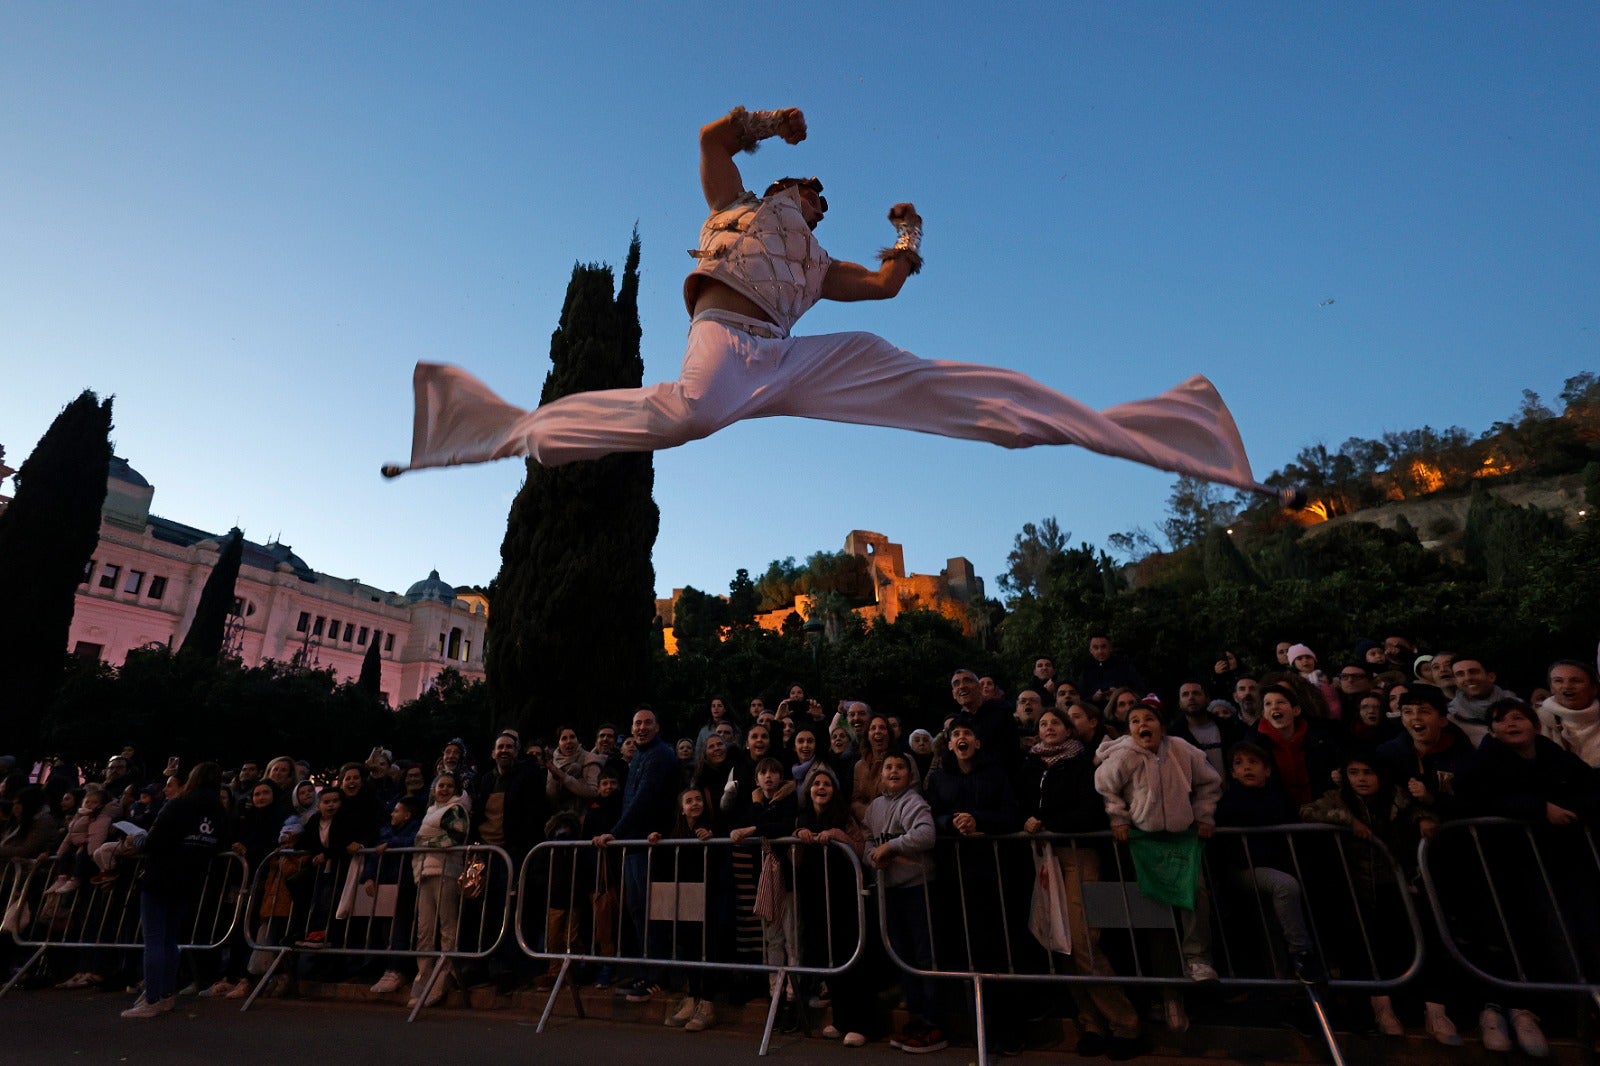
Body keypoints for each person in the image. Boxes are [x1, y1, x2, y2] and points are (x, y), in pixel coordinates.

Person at [385, 107, 1276, 508]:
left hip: (789, 357)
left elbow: (883, 288)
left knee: (933, 384)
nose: (817, 197)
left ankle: (1171, 429)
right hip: (726, 340)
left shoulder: (819, 262)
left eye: (821, 197)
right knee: (687, 414)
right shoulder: (734, 204)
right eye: (808, 187)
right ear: (783, 185)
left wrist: (910, 235)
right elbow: (708, 137)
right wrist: (771, 123)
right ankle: (493, 429)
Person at [122, 762, 227, 1019]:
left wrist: (137, 839)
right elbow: (220, 844)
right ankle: (167, 994)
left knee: (154, 939)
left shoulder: (179, 804)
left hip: (161, 875)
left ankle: (152, 997)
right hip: (190, 879)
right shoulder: (219, 811)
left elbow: (154, 841)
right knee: (170, 939)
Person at [863, 752, 946, 1054]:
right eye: (889, 767)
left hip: (917, 888)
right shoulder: (874, 807)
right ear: (881, 774)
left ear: (910, 775)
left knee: (925, 956)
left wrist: (892, 846)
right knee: (902, 956)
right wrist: (873, 857)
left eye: (900, 767)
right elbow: (867, 839)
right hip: (890, 890)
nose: (894, 771)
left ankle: (933, 1022)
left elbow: (925, 834)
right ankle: (915, 1017)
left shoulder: (914, 802)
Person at [409, 771, 471, 1009]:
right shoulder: (430, 812)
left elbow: (454, 839)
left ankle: (443, 977)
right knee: (424, 931)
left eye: (449, 786)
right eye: (440, 785)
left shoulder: (455, 810)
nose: (444, 789)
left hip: (446, 872)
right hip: (425, 872)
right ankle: (423, 978)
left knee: (447, 928)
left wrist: (424, 843)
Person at [1538, 659, 1600, 766]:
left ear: (1594, 688)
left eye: (1576, 681)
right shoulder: (1536, 719)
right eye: (1558, 681)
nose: (1567, 686)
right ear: (1551, 688)